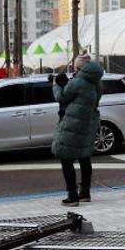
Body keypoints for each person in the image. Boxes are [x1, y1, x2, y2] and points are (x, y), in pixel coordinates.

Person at [52, 54, 103, 206]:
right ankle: (85, 193)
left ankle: (72, 196)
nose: (73, 71)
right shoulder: (98, 83)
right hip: (89, 122)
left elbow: (61, 97)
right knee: (84, 157)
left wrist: (56, 85)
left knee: (66, 158)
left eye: (74, 68)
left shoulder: (78, 82)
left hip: (73, 124)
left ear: (80, 68)